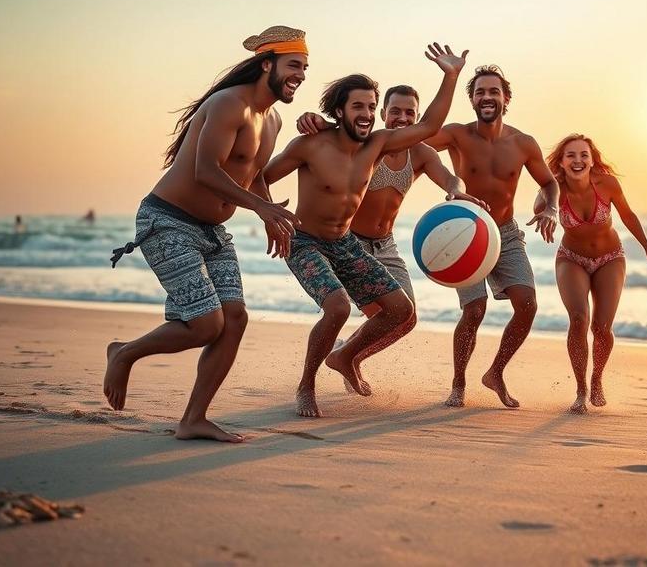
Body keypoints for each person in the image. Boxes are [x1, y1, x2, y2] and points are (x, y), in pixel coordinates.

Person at [103, 25, 306, 442]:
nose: (300, 74)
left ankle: (193, 419)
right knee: (205, 326)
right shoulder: (228, 103)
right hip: (167, 220)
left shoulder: (273, 120)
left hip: (212, 230)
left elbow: (253, 175)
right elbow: (205, 171)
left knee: (234, 319)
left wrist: (268, 212)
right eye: (293, 65)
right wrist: (262, 208)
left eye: (304, 67)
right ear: (266, 64)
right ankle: (124, 353)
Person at [262, 43, 468, 418]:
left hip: (345, 243)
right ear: (339, 110)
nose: (368, 114)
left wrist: (450, 76)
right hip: (306, 242)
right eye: (359, 106)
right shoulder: (310, 145)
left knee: (399, 309)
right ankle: (306, 385)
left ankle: (346, 357)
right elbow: (260, 178)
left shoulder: (377, 144)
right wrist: (269, 213)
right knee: (337, 308)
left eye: (372, 107)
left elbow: (430, 126)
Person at [296, 84, 488, 394]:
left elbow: (449, 176)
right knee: (377, 313)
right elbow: (340, 132)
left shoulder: (422, 153)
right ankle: (331, 365)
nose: (402, 117)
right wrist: (319, 122)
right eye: (395, 111)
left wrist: (454, 188)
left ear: (417, 116)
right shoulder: (370, 145)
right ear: (383, 114)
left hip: (385, 245)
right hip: (350, 242)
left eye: (409, 112)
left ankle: (347, 357)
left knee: (406, 317)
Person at [424, 65, 560, 409]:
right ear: (471, 99)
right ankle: (458, 383)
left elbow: (549, 182)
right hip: (463, 232)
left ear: (506, 99)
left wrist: (550, 208)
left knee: (527, 305)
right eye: (480, 92)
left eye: (493, 91)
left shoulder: (524, 143)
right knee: (474, 310)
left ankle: (495, 372)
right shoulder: (456, 134)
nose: (487, 97)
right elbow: (413, 143)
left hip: (506, 233)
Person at [544, 133, 647, 413]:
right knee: (578, 319)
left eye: (583, 155)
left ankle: (597, 377)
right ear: (562, 163)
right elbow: (544, 207)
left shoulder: (608, 184)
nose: (578, 160)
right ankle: (580, 390)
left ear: (592, 159)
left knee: (601, 328)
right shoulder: (554, 187)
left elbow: (627, 215)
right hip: (571, 259)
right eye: (571, 156)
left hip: (610, 258)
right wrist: (548, 212)